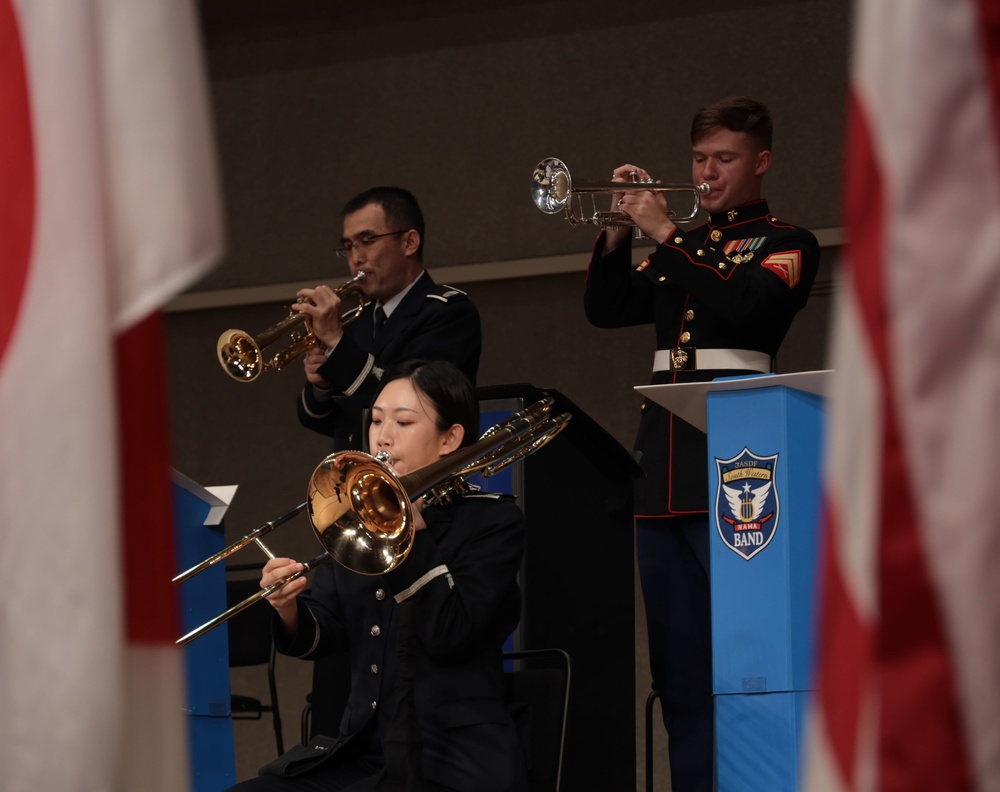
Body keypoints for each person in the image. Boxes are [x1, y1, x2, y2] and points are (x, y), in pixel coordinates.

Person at [583, 96, 820, 791]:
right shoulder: (678, 246)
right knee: (680, 672)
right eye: (699, 159)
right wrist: (620, 232)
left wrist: (668, 233)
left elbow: (748, 306)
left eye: (724, 158)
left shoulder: (786, 242)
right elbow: (607, 310)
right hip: (664, 473)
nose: (708, 172)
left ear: (760, 162)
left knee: (752, 661)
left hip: (744, 471)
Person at [227, 359, 528, 792]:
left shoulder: (492, 522)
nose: (382, 437)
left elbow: (450, 633)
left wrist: (415, 536)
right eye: (377, 421)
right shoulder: (364, 514)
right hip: (367, 750)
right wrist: (289, 607)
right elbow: (326, 628)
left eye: (404, 422)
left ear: (451, 438)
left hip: (451, 760)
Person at [294, 187, 482, 450]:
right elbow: (324, 422)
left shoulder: (448, 312)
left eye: (367, 240)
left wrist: (337, 344)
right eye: (348, 246)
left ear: (409, 243)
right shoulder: (355, 321)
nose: (356, 259)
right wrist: (322, 385)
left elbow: (412, 406)